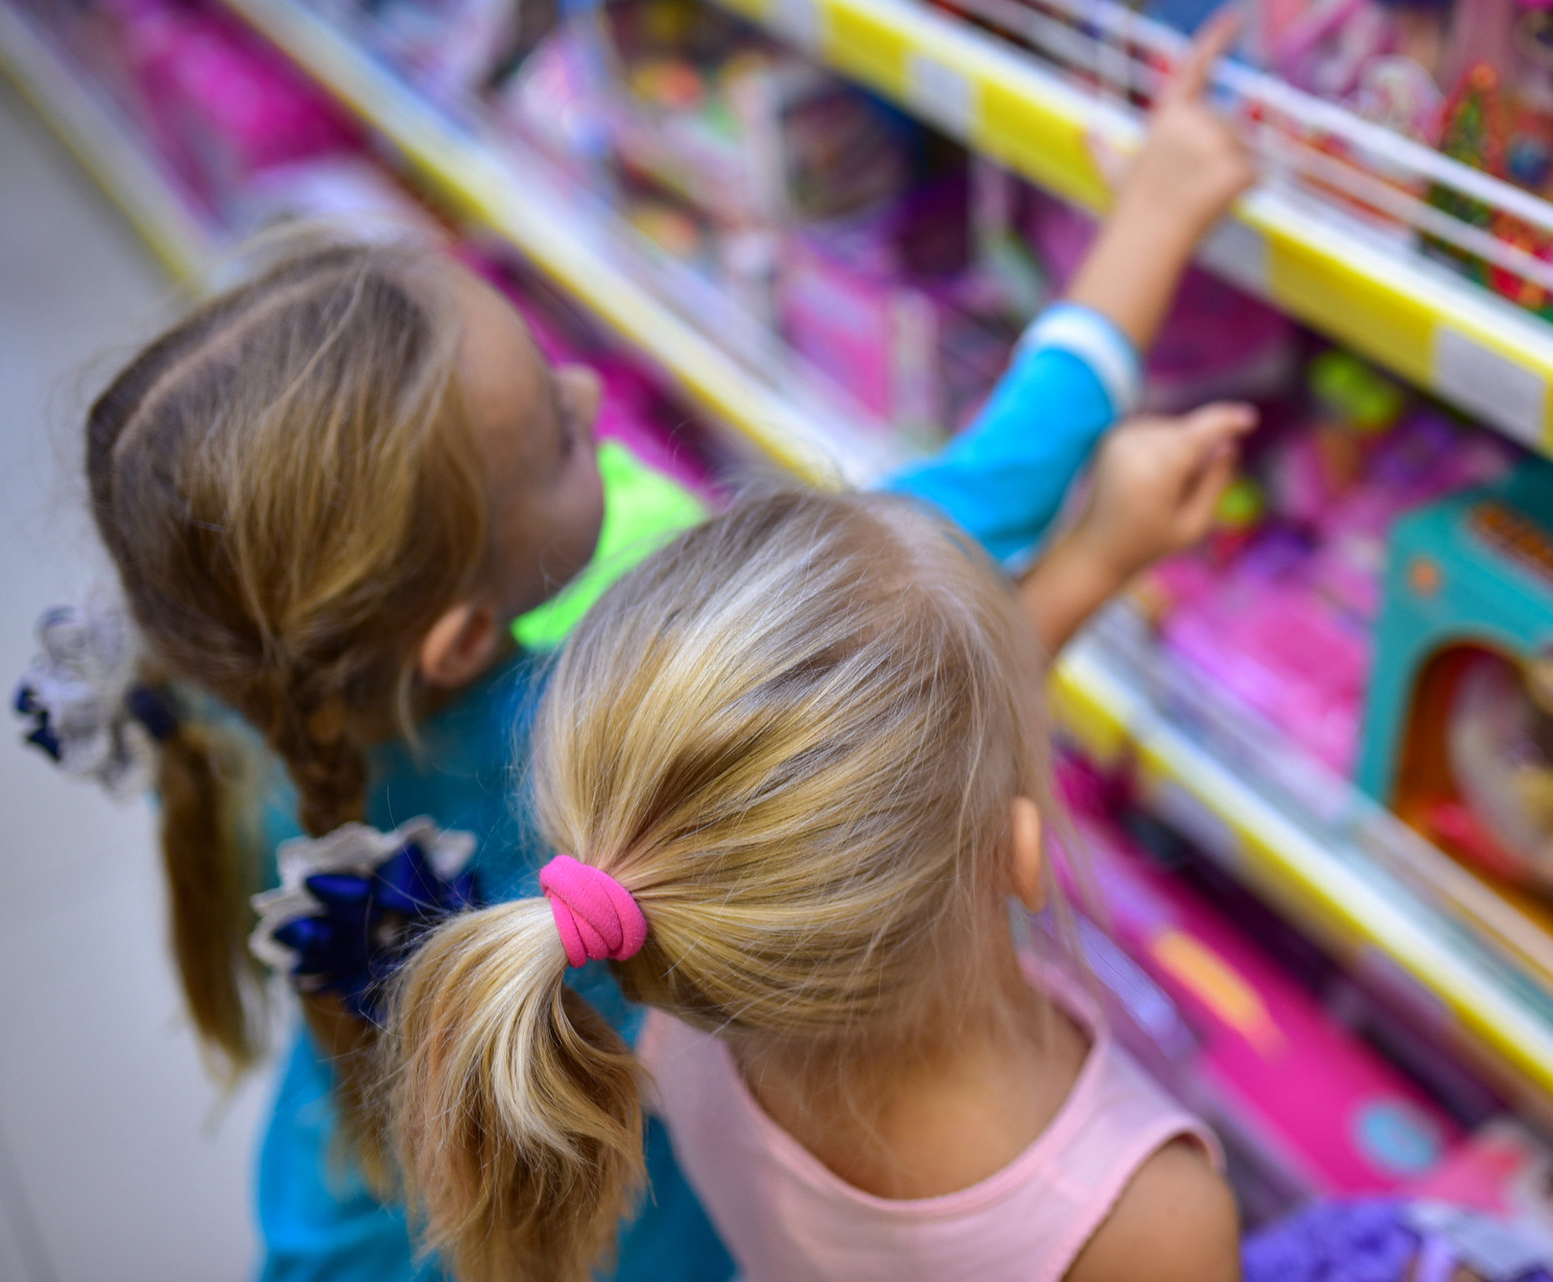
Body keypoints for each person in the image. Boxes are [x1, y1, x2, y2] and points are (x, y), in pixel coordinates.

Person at [20, 15, 1257, 1281]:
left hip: (346, 1214)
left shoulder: (249, 698)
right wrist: (1156, 221)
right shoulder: (566, 736)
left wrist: (1086, 565)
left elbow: (858, 726)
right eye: (553, 443)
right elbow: (962, 528)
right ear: (453, 639)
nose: (589, 399)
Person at [387, 480, 1246, 1282]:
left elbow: (919, 789)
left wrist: (1092, 564)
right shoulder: (1153, 1219)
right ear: (1023, 855)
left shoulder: (684, 993)